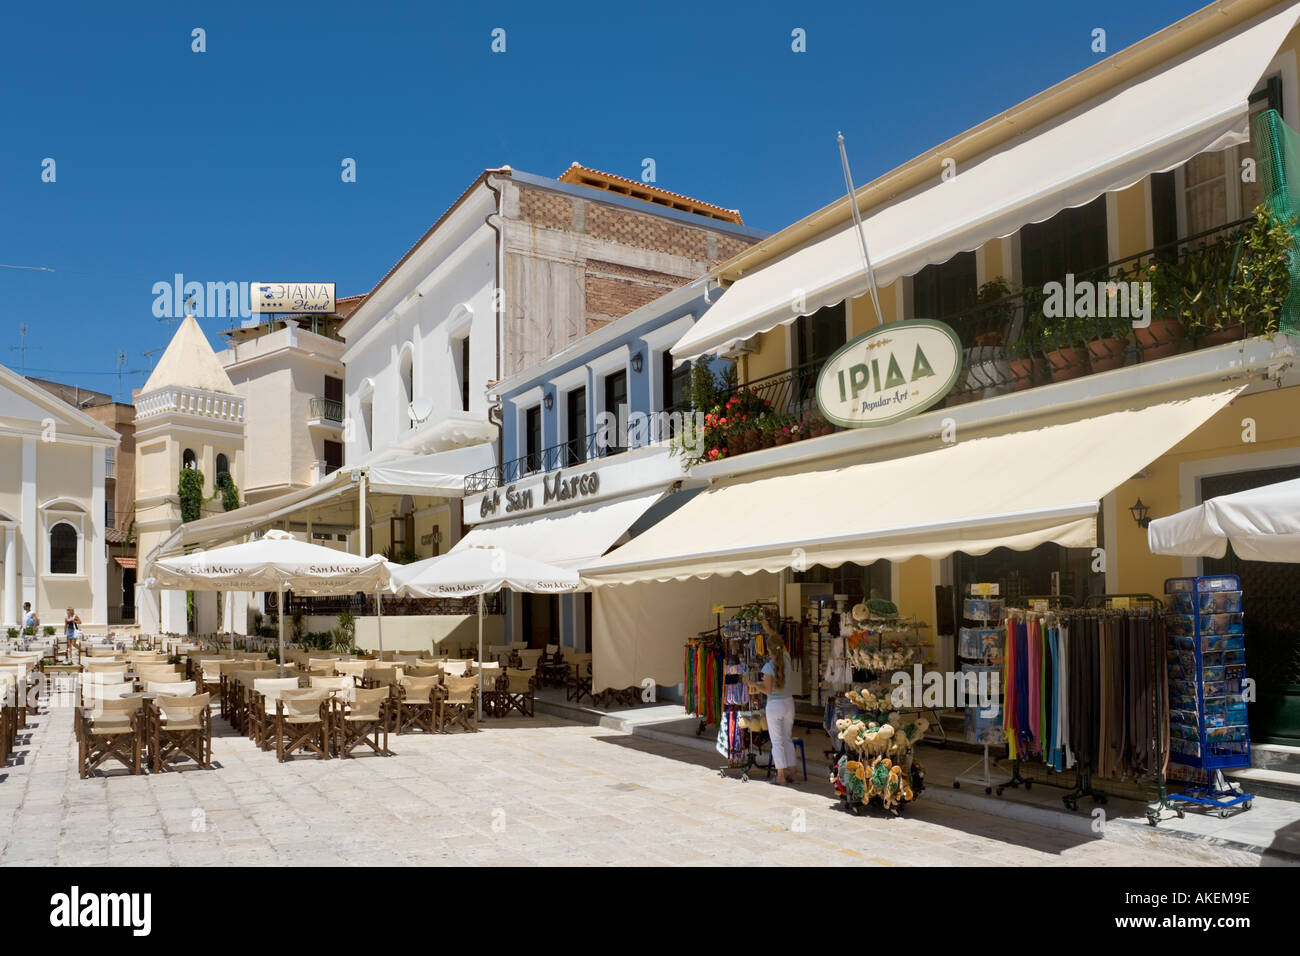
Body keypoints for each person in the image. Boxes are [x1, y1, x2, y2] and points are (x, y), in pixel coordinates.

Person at [749, 611, 796, 785]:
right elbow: (779, 643)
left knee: (777, 742)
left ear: (768, 650)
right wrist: (769, 629)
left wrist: (754, 685)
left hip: (775, 705)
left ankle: (781, 776)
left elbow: (768, 691)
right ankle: (794, 773)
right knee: (787, 738)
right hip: (789, 703)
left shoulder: (769, 666)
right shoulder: (787, 659)